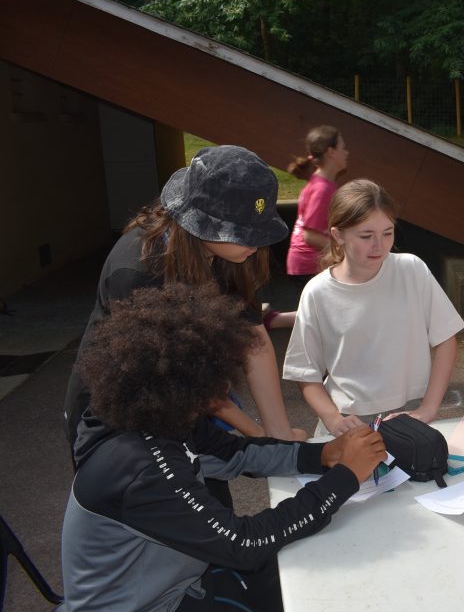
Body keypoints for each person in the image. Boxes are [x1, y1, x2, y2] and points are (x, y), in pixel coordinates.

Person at [61, 282, 386, 612]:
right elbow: (242, 543)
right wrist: (345, 477)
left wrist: (322, 455)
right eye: (216, 377)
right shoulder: (141, 469)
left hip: (180, 584)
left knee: (308, 577)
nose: (226, 389)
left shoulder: (160, 418)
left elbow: (236, 453)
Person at [63, 145, 307, 452]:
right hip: (118, 419)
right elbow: (179, 379)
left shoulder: (235, 255)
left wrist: (279, 434)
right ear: (200, 221)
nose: (256, 243)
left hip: (187, 403)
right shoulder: (138, 271)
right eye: (243, 232)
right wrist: (259, 437)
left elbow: (253, 339)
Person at [283, 179, 464, 436]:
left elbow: (446, 338)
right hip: (347, 420)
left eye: (387, 233)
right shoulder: (318, 292)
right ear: (338, 235)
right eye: (366, 236)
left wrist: (428, 407)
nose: (379, 245)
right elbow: (305, 371)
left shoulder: (412, 270)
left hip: (411, 412)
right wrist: (332, 419)